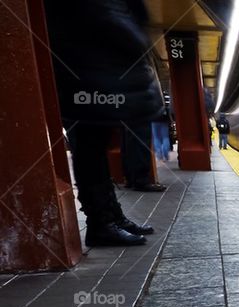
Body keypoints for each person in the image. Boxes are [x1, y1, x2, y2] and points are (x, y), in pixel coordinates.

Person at [44, 0, 162, 246]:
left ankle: (111, 217)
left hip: (90, 68)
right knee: (89, 146)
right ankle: (101, 224)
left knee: (94, 145)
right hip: (81, 71)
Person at [122, 119, 166, 192]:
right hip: (138, 113)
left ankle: (130, 178)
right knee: (141, 136)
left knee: (128, 137)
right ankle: (141, 180)